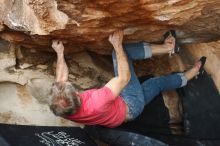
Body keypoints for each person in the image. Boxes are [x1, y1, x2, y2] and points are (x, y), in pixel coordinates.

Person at [48, 30, 206, 128]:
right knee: (121, 54)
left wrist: (60, 52)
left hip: (121, 115)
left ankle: (190, 74)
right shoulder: (97, 100)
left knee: (155, 84)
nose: (64, 81)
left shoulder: (62, 108)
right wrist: (117, 45)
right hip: (130, 103)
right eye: (68, 85)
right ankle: (168, 47)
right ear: (76, 95)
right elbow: (124, 78)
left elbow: (61, 79)